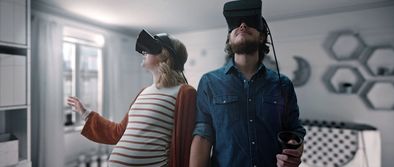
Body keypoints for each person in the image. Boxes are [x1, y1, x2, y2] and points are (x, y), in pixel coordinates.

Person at [190, 0, 306, 167]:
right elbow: (202, 135)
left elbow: (295, 131)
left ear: (262, 36)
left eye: (250, 23)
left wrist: (293, 155)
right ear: (229, 39)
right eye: (236, 25)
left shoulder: (283, 84)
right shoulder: (209, 82)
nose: (243, 25)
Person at [67, 29, 196, 167]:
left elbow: (188, 142)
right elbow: (118, 133)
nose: (144, 52)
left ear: (165, 56)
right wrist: (85, 113)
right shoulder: (143, 93)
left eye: (150, 48)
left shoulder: (184, 92)